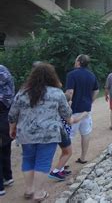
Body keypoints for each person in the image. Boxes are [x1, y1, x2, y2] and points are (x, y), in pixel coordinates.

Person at [8, 63, 72, 202]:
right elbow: (66, 113)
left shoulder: (23, 92)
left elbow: (12, 114)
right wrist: (69, 121)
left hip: (26, 133)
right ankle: (38, 193)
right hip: (48, 134)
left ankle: (29, 190)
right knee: (42, 162)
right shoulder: (57, 93)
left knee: (28, 160)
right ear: (52, 77)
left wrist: (12, 128)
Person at [65, 54, 99, 164]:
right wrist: (90, 101)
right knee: (86, 133)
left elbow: (70, 92)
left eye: (76, 60)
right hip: (86, 111)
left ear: (79, 62)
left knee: (68, 136)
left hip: (74, 111)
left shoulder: (72, 75)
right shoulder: (91, 75)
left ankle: (64, 162)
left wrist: (65, 106)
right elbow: (96, 90)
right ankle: (83, 157)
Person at [0, 65, 14, 195]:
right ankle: (8, 177)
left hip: (2, 111)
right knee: (5, 146)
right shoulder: (4, 69)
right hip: (7, 113)